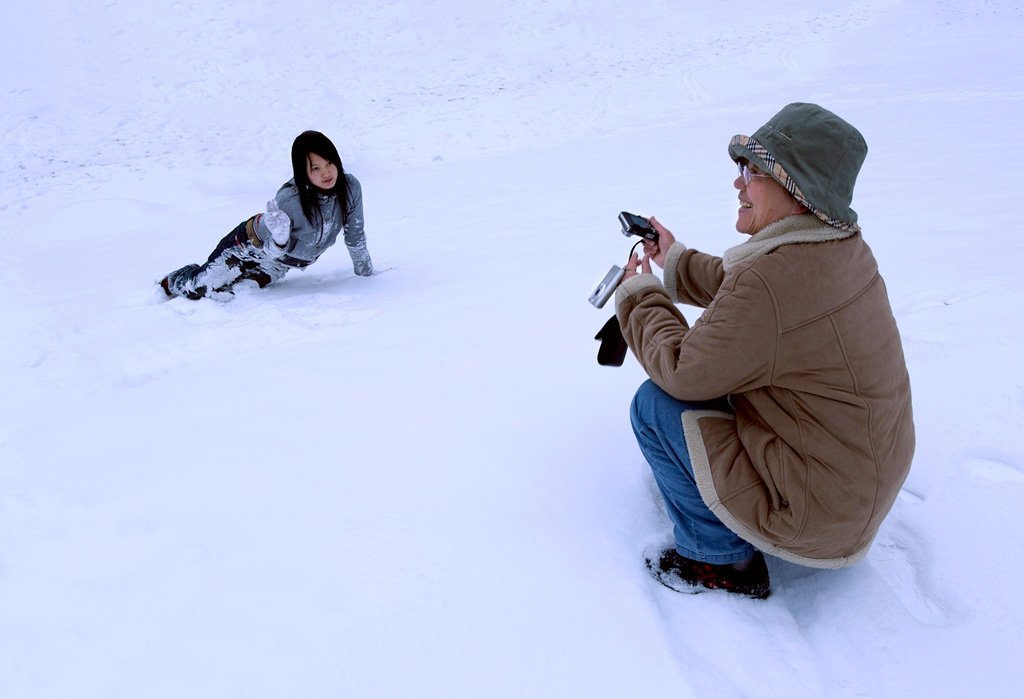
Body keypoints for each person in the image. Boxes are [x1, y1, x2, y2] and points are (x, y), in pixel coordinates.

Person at [615, 103, 914, 599]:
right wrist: (676, 262)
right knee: (733, 380)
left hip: (812, 516)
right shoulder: (840, 247)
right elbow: (758, 302)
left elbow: (684, 371)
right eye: (742, 168)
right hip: (854, 497)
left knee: (655, 404)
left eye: (754, 171)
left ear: (796, 191)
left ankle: (721, 563)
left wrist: (641, 296)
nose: (739, 183)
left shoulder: (771, 282)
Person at [160, 130, 373, 299]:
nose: (326, 173)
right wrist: (280, 238)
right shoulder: (290, 201)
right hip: (248, 246)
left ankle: (210, 274)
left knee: (235, 292)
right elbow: (272, 251)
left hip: (278, 265)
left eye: (329, 163)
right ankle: (176, 280)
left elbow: (355, 234)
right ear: (303, 172)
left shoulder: (350, 187)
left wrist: (366, 276)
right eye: (315, 168)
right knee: (201, 289)